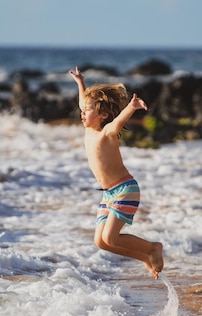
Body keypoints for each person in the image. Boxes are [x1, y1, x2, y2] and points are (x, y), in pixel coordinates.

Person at [69, 66, 164, 279]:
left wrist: (131, 107)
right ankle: (144, 257)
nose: (82, 113)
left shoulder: (106, 134)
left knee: (111, 238)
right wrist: (80, 83)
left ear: (102, 114)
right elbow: (82, 102)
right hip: (108, 194)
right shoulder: (88, 129)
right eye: (82, 110)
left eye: (88, 110)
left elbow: (117, 123)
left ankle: (153, 248)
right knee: (100, 241)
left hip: (125, 190)